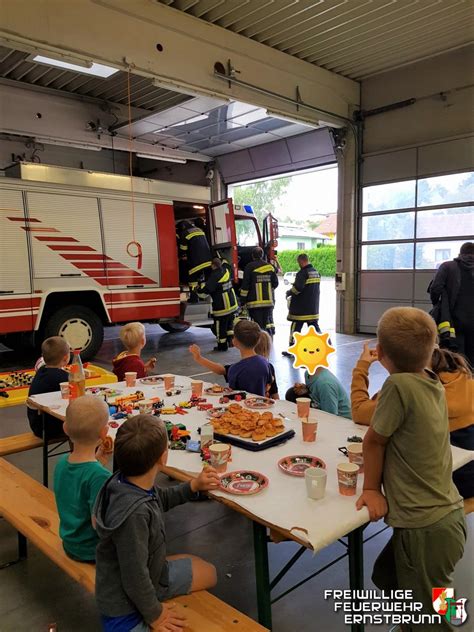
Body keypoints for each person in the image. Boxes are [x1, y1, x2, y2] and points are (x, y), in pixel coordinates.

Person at [356, 307, 466, 626]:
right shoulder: (430, 379)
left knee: (431, 618)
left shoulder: (399, 386)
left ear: (382, 353)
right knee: (389, 576)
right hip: (445, 522)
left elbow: (374, 440)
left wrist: (371, 489)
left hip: (424, 528)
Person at [94, 415, 218, 632]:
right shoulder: (133, 515)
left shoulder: (128, 482)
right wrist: (156, 615)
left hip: (149, 575)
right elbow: (133, 576)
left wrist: (193, 486)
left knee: (210, 572)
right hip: (124, 608)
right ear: (163, 458)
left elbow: (161, 498)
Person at [54, 396, 111, 562]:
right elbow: (99, 524)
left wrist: (98, 461)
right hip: (90, 550)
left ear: (65, 428)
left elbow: (76, 488)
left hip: (70, 541)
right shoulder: (99, 476)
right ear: (104, 432)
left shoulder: (62, 462)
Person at [189, 320, 272, 397]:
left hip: (242, 410)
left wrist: (198, 357)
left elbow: (232, 393)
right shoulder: (266, 364)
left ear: (235, 342)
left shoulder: (235, 369)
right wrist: (199, 358)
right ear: (258, 340)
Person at [429, 241, 474, 366]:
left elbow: (436, 288)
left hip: (452, 321)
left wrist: (437, 306)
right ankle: (470, 382)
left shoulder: (447, 266)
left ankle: (457, 380)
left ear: (460, 253)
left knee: (454, 354)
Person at [28, 336, 70, 439]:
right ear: (65, 358)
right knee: (88, 425)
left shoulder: (42, 370)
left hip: (36, 424)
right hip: (49, 429)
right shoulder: (62, 377)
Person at [283, 253, 321, 356]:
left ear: (301, 261)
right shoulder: (316, 272)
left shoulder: (302, 273)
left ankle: (292, 349)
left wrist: (289, 292)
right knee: (314, 328)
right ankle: (323, 345)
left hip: (300, 310)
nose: (298, 264)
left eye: (299, 262)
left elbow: (297, 289)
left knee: (295, 328)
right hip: (313, 308)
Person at [197, 258, 238, 351]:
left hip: (222, 307)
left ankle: (222, 346)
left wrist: (197, 290)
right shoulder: (226, 270)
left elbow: (205, 292)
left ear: (213, 265)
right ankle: (231, 340)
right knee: (229, 325)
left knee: (220, 328)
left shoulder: (214, 276)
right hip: (232, 304)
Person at [240, 247, 278, 335]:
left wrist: (242, 301)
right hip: (268, 303)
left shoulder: (249, 267)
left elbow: (245, 286)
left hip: (254, 304)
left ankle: (260, 345)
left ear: (252, 256)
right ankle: (266, 344)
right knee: (264, 326)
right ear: (262, 255)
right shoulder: (270, 267)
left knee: (257, 327)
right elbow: (275, 283)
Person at [285, 367, 351, 419]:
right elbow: (314, 391)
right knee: (291, 394)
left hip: (342, 420)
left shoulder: (325, 384)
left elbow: (331, 416)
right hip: (322, 406)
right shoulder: (308, 373)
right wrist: (306, 389)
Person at [177, 219, 212, 302]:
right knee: (202, 279)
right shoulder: (199, 230)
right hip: (207, 261)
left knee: (192, 279)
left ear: (183, 227)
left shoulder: (185, 233)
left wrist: (182, 256)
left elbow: (183, 249)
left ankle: (193, 298)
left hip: (196, 262)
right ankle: (203, 297)